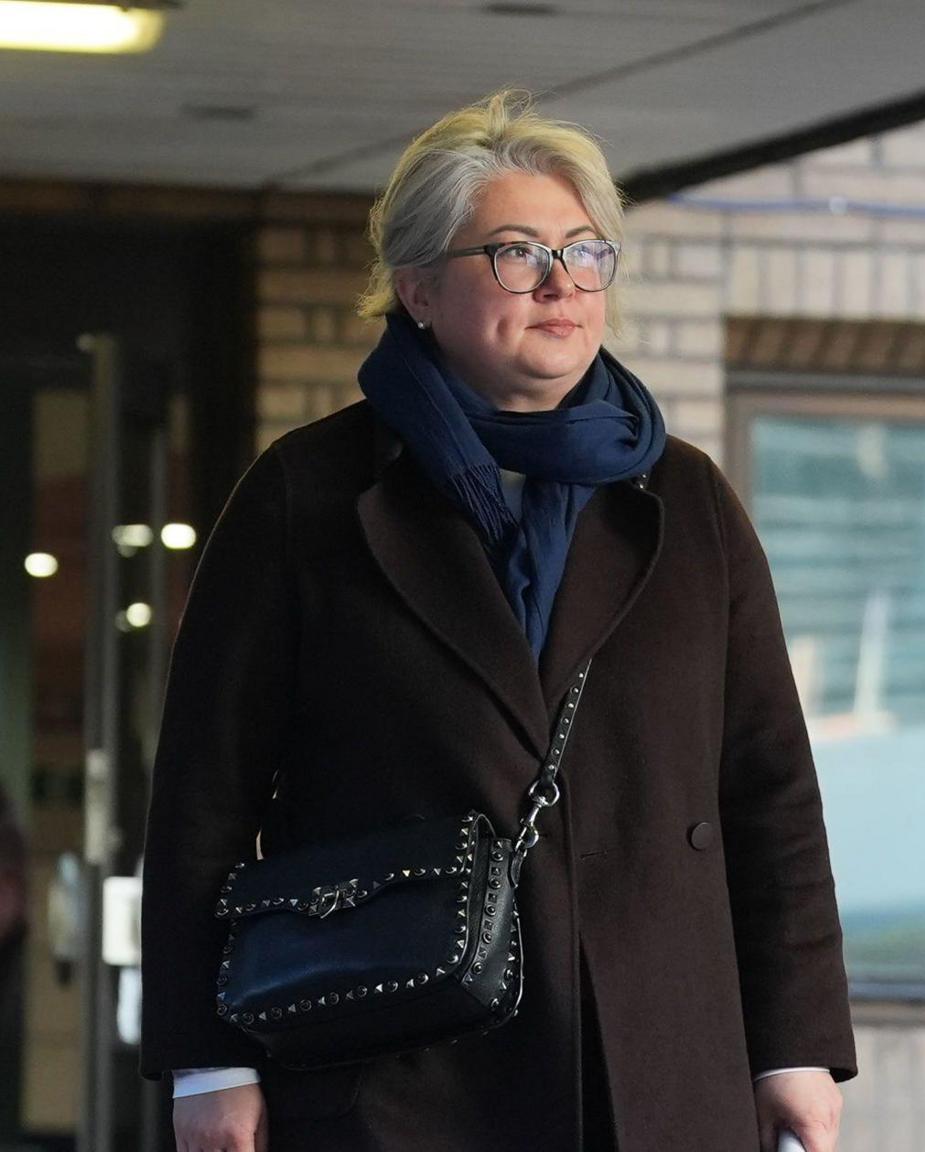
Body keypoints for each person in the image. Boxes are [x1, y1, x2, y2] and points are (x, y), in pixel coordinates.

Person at [140, 91, 854, 1152]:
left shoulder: (683, 499)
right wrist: (208, 1059)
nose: (563, 284)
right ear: (419, 288)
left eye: (585, 251)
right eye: (517, 253)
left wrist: (792, 1043)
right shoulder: (308, 497)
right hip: (394, 1059)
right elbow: (203, 797)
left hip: (654, 1061)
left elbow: (770, 788)